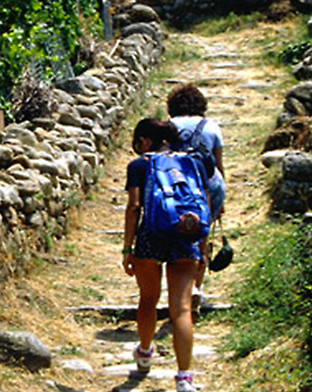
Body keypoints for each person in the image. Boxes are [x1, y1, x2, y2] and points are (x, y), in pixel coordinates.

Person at [122, 118, 213, 392]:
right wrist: (203, 247)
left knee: (148, 299)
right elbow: (205, 203)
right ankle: (184, 376)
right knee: (182, 309)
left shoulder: (140, 165)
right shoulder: (194, 163)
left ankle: (145, 352)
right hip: (186, 235)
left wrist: (127, 248)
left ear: (145, 141)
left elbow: (134, 206)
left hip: (151, 237)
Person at [166, 84, 226, 307]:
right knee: (202, 237)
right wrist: (221, 201)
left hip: (176, 188)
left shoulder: (168, 126)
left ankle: (179, 291)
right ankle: (195, 288)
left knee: (176, 235)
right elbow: (218, 165)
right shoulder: (211, 127)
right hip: (208, 187)